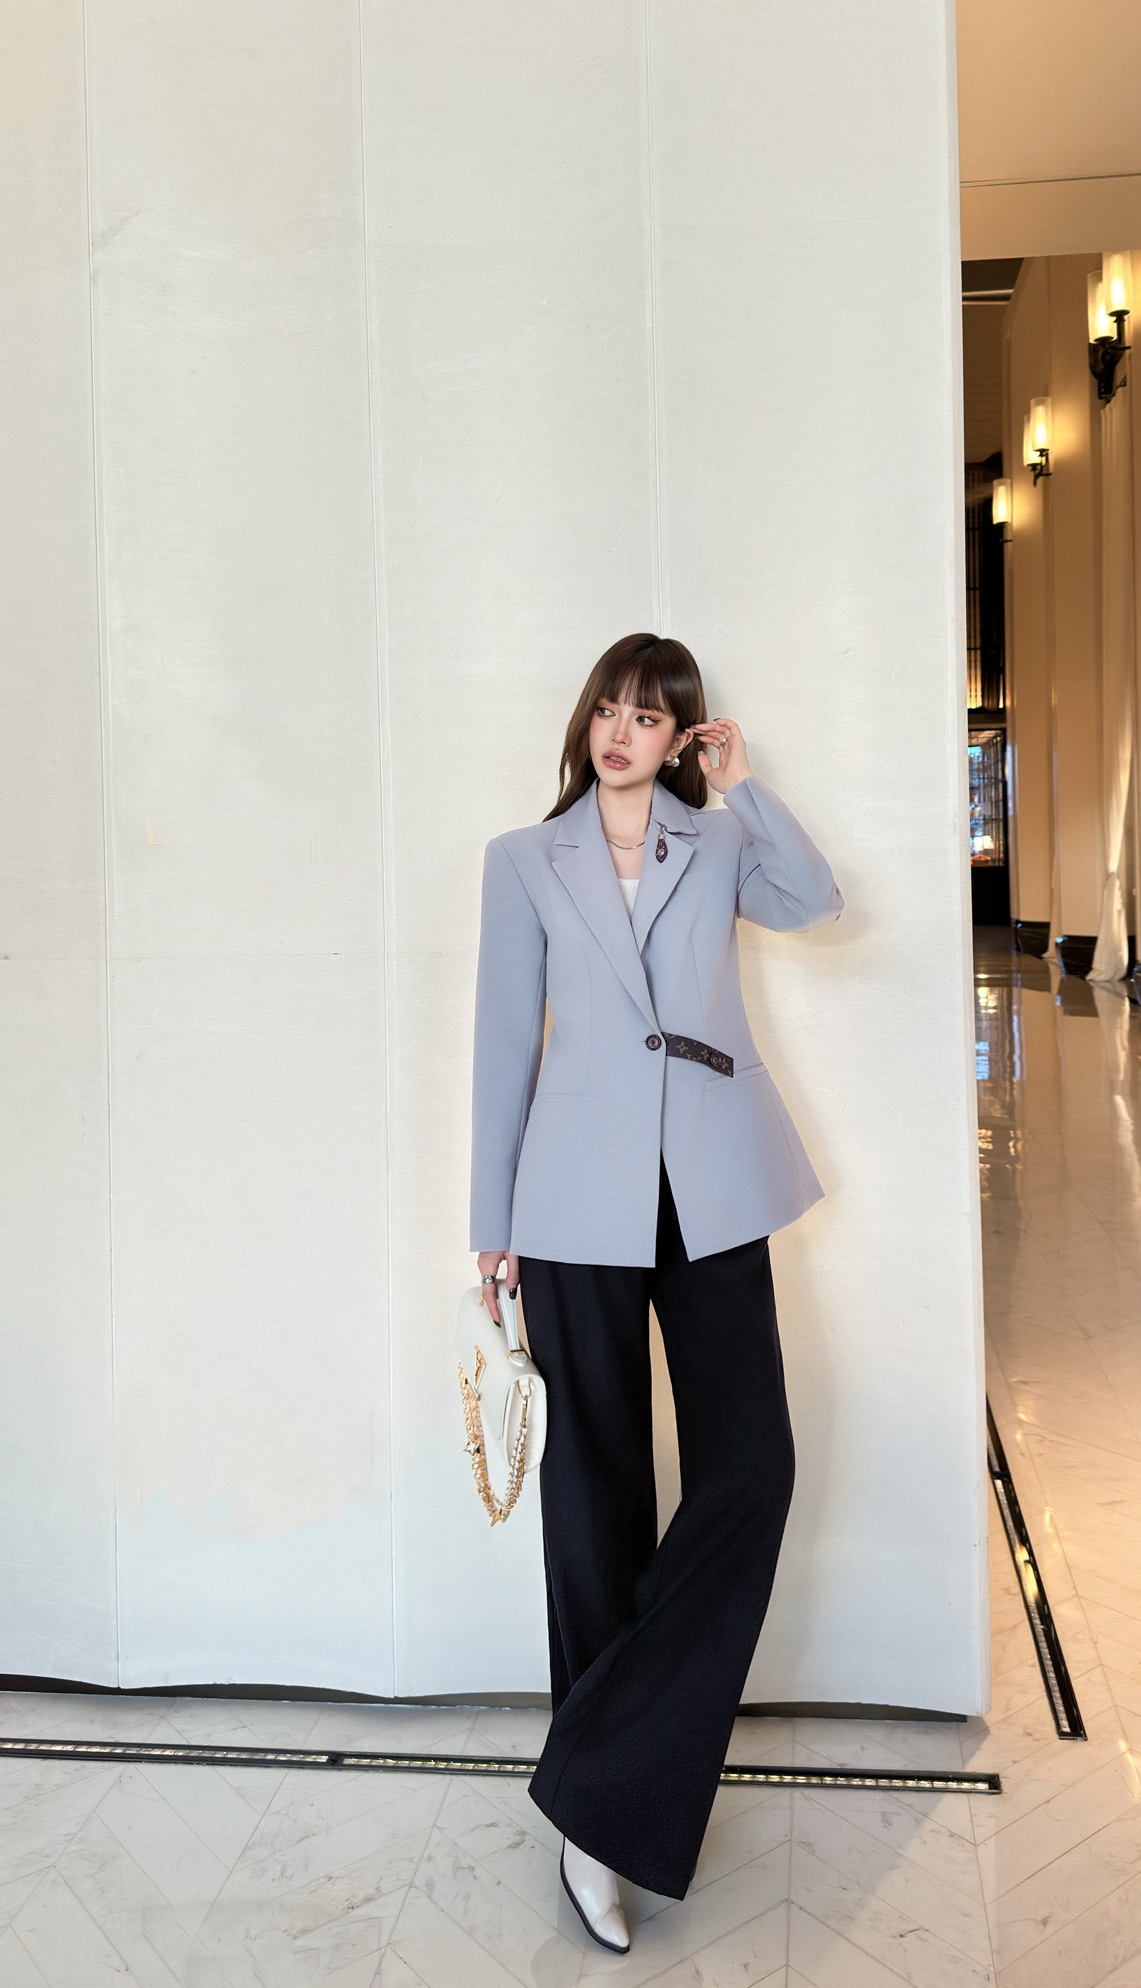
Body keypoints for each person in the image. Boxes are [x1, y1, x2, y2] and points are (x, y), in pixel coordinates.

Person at [470, 630, 842, 1948]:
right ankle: (598, 1829)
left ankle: (599, 1766)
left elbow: (815, 901)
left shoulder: (719, 840)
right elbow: (504, 1042)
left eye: (649, 716)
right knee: (596, 1498)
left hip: (714, 1185)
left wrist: (743, 784)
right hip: (572, 1198)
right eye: (609, 711)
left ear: (681, 735)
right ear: (586, 723)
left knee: (752, 1468)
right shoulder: (525, 859)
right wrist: (490, 1223)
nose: (622, 733)